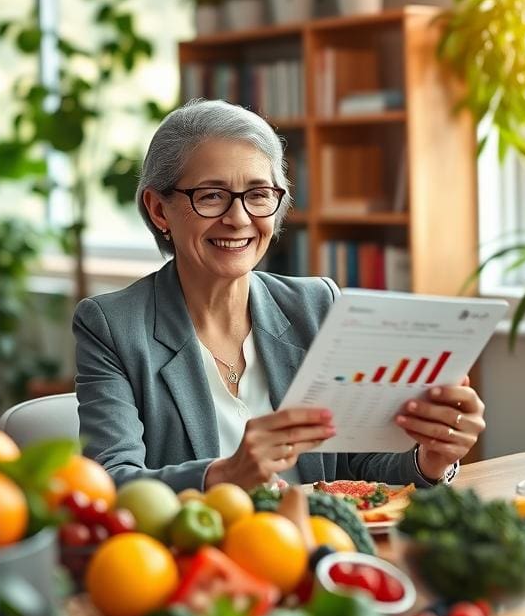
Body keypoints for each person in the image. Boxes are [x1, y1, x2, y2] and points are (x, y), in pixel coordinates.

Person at [73, 100, 486, 492]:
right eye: (211, 195)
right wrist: (225, 474)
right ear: (159, 210)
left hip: (320, 544)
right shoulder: (112, 326)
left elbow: (358, 467)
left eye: (258, 195)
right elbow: (111, 482)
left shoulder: (317, 305)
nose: (238, 219)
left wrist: (429, 459)